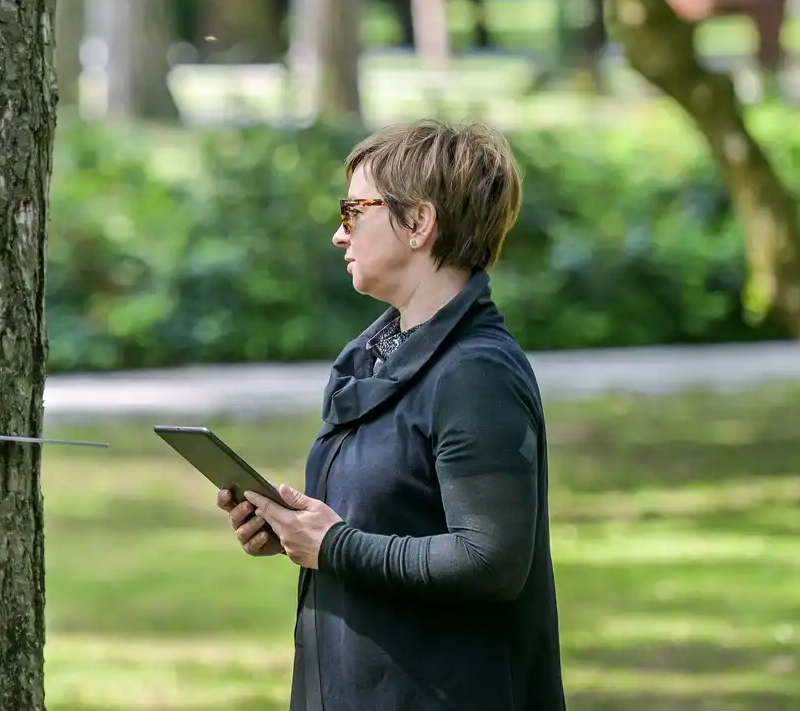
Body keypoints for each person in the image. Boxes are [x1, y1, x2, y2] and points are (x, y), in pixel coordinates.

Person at [217, 119, 566, 711]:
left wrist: (334, 545)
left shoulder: (475, 373)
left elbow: (491, 561)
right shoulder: (378, 361)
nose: (338, 234)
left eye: (354, 211)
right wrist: (294, 529)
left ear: (419, 223)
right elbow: (395, 514)